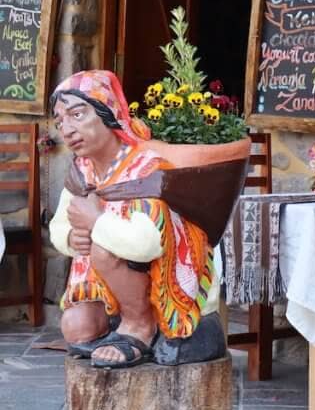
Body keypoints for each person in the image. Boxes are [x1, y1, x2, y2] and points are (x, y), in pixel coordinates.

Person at [49, 70, 219, 368]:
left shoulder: (145, 167)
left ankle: (140, 326)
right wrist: (69, 237)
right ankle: (118, 317)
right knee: (77, 327)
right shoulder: (82, 171)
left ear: (108, 112)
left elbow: (147, 244)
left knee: (104, 249)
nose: (67, 128)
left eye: (77, 114)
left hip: (162, 274)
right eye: (60, 121)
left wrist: (96, 222)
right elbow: (60, 223)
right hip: (110, 283)